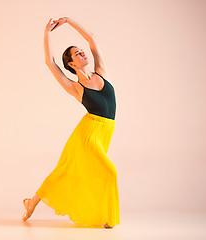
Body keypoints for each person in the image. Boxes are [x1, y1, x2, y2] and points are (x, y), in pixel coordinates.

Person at [22, 17, 120, 228]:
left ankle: (32, 202)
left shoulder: (100, 71)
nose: (83, 53)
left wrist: (68, 21)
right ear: (71, 64)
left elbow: (92, 37)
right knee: (109, 172)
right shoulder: (75, 87)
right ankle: (107, 218)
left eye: (81, 50)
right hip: (88, 134)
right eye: (77, 53)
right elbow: (50, 63)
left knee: (67, 171)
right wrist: (47, 33)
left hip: (105, 132)